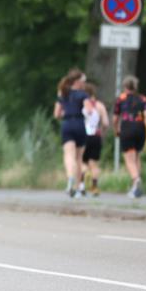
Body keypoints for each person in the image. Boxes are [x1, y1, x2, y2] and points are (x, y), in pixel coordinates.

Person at [54, 68, 93, 198]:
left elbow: (57, 114)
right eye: (83, 81)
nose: (84, 83)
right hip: (80, 125)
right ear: (77, 81)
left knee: (69, 155)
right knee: (79, 158)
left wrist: (66, 113)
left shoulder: (63, 93)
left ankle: (70, 178)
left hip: (67, 125)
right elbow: (89, 111)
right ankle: (77, 187)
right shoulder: (83, 95)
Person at [113, 75, 146, 198]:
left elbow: (115, 118)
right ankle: (136, 187)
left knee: (129, 158)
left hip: (127, 128)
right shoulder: (143, 99)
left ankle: (136, 180)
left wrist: (116, 129)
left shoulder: (121, 99)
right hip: (140, 129)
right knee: (136, 156)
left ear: (125, 86)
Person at [81, 82, 110, 196]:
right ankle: (94, 187)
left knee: (82, 162)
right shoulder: (100, 106)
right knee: (94, 163)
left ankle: (82, 185)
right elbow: (106, 123)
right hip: (95, 136)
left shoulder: (81, 105)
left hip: (82, 135)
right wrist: (102, 131)